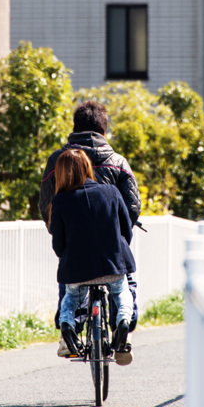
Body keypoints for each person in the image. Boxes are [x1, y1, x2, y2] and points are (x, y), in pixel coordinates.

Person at [40, 100, 141, 359]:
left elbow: (46, 205)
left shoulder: (57, 160)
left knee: (69, 285)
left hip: (74, 245)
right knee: (124, 283)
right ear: (104, 131)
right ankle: (124, 332)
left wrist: (64, 235)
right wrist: (120, 237)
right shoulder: (118, 161)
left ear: (74, 128)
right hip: (111, 248)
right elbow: (131, 206)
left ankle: (66, 336)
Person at [49, 148, 135, 365]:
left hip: (77, 270)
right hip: (112, 265)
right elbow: (127, 230)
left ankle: (68, 326)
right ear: (87, 167)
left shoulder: (59, 202)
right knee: (121, 292)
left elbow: (58, 245)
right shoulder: (111, 192)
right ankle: (124, 320)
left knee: (71, 298)